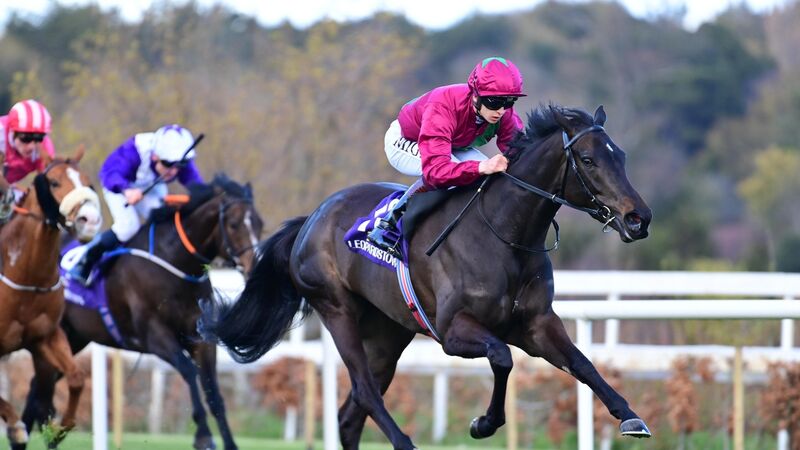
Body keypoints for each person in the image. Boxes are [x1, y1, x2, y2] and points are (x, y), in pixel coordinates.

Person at [367, 56, 526, 255]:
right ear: (475, 95)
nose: (501, 110)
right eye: (494, 102)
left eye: (509, 101)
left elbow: (520, 152)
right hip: (406, 140)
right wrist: (480, 167)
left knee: (490, 177)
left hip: (452, 143)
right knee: (458, 174)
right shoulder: (443, 105)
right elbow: (436, 171)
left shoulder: (503, 113)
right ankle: (388, 225)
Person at [67, 124, 204, 285]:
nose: (174, 171)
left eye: (180, 166)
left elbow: (198, 187)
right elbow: (108, 174)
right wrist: (126, 190)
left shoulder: (176, 159)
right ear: (155, 156)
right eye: (168, 164)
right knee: (128, 227)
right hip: (117, 185)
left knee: (166, 220)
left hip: (150, 185)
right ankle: (86, 261)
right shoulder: (134, 151)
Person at [0, 99, 57, 222]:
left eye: (38, 138)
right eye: (25, 138)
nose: (32, 146)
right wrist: (7, 192)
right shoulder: (1, 135)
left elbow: (48, 183)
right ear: (12, 132)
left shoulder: (44, 147)